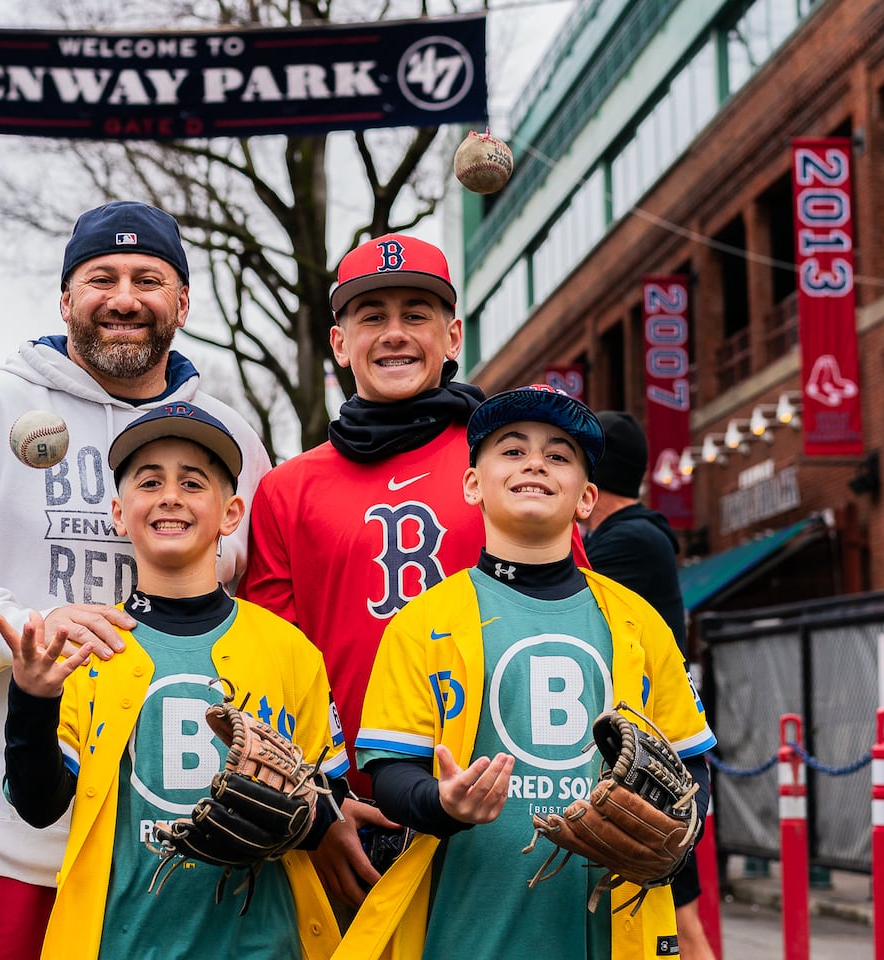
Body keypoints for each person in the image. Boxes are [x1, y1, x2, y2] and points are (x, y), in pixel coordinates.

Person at [0, 201, 270, 958]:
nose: (123, 297)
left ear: (181, 302)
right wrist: (21, 629)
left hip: (168, 842)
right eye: (100, 277)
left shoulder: (232, 436)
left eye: (149, 278)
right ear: (66, 299)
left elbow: (257, 602)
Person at [238, 234, 589, 908]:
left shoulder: (508, 461)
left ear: (452, 335)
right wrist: (317, 804)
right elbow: (271, 669)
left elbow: (574, 626)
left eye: (416, 314)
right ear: (340, 343)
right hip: (353, 822)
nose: (394, 334)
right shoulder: (287, 489)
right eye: (372, 317)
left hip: (509, 806)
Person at [340, 384, 716, 959]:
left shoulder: (638, 622)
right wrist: (443, 803)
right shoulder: (423, 621)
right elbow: (391, 773)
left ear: (586, 497)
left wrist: (678, 830)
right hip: (466, 926)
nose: (535, 462)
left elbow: (691, 764)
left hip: (611, 926)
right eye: (511, 450)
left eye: (559, 455)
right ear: (473, 485)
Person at [0, 402, 348, 959]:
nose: (169, 496)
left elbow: (330, 804)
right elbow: (38, 804)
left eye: (192, 482)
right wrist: (32, 698)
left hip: (266, 942)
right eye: (150, 481)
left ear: (231, 514)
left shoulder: (287, 647)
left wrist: (294, 812)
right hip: (128, 941)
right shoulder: (90, 645)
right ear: (118, 512)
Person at [582, 410, 714, 960]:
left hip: (650, 757)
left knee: (679, 928)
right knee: (680, 921)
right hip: (650, 750)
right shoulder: (639, 534)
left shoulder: (625, 543)